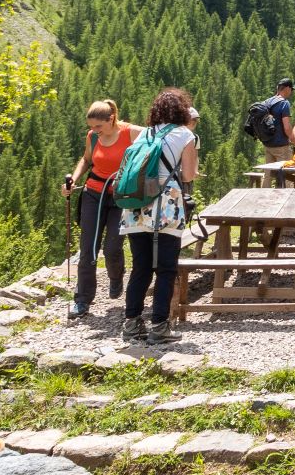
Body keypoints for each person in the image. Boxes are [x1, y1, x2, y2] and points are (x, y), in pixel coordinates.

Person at [120, 87, 198, 344]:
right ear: (182, 110)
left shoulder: (143, 134)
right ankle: (159, 327)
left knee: (140, 267)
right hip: (166, 206)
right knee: (165, 268)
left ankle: (131, 324)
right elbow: (187, 176)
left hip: (135, 206)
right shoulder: (185, 134)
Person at [61, 99, 136, 320]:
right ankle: (82, 300)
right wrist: (73, 180)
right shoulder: (93, 137)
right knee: (88, 249)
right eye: (92, 126)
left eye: (98, 126)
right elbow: (85, 160)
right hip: (93, 193)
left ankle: (116, 276)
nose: (94, 131)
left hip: (121, 196)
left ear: (111, 119)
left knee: (113, 246)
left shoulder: (130, 133)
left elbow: (155, 136)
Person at [256, 78, 295, 163]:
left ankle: (268, 177)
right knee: (286, 173)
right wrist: (293, 139)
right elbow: (286, 126)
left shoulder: (267, 102)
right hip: (281, 146)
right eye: (291, 89)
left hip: (268, 145)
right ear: (287, 88)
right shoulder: (284, 103)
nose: (291, 92)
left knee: (269, 174)